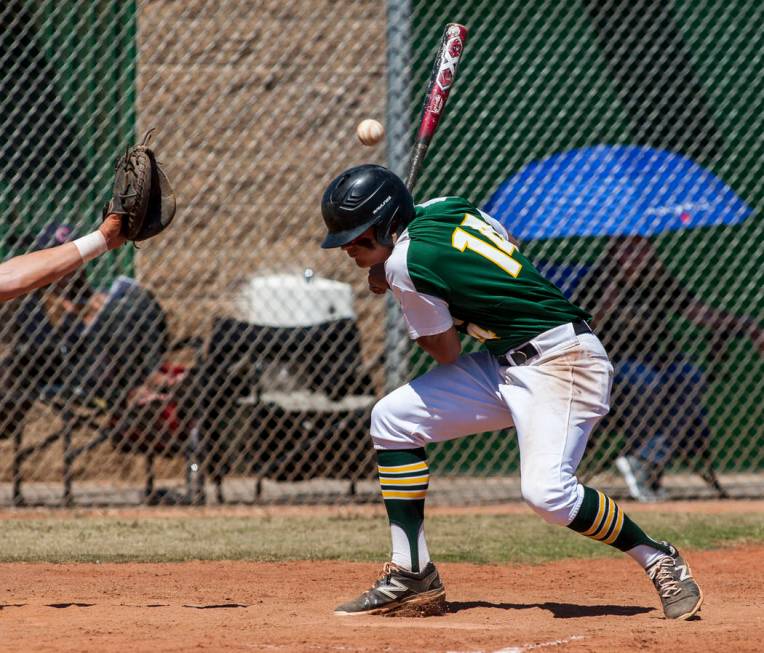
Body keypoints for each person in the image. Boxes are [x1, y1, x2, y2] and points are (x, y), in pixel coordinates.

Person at [319, 164, 703, 620]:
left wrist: (401, 282)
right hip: (506, 361)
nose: (348, 248)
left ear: (386, 225)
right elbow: (509, 246)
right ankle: (412, 571)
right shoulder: (446, 207)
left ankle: (659, 558)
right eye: (345, 240)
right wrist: (406, 272)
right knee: (392, 419)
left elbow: (445, 351)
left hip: (564, 362)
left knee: (548, 496)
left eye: (360, 239)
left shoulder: (406, 264)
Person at [579, 236, 762, 501]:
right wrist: (605, 305)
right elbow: (580, 328)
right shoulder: (599, 280)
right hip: (616, 363)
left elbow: (699, 314)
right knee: (646, 381)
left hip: (662, 359)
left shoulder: (658, 280)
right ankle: (645, 460)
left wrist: (747, 325)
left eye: (642, 246)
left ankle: (644, 458)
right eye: (627, 247)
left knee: (691, 377)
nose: (636, 254)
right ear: (613, 250)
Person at [0, 215, 125, 303]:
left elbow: (10, 275)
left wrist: (102, 239)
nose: (64, 266)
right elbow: (10, 276)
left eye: (68, 257)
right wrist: (101, 239)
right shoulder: (30, 305)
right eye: (56, 254)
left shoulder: (88, 295)